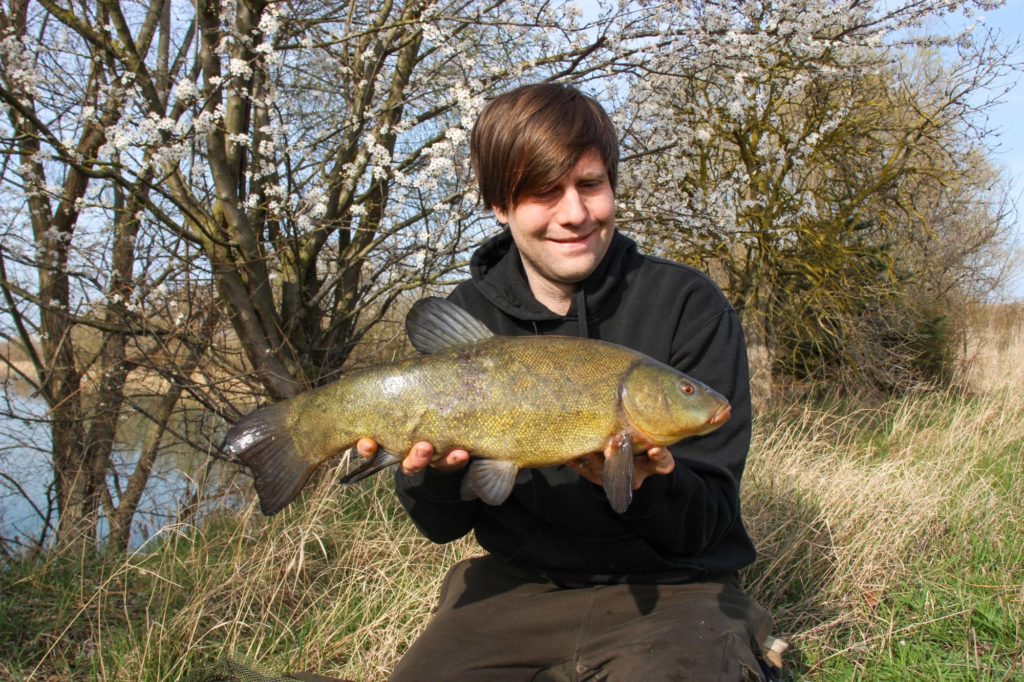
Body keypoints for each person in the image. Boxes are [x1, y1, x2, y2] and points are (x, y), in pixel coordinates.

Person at [358, 82, 780, 681]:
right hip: (517, 589)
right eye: (542, 193)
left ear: (612, 186)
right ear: (500, 207)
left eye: (589, 185)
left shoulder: (689, 305)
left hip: (677, 593)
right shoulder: (471, 317)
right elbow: (441, 525)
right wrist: (439, 474)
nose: (574, 213)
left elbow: (709, 521)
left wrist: (654, 484)